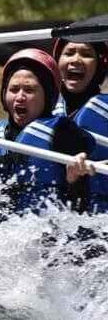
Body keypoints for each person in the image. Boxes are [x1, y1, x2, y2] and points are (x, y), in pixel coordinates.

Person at [0, 48, 95, 214]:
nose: (20, 97)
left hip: (46, 234)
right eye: (14, 89)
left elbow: (81, 208)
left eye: (30, 90)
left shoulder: (65, 133)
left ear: (48, 97)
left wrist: (74, 181)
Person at [52, 40, 108, 213]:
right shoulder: (40, 111)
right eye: (69, 53)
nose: (76, 60)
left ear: (99, 67)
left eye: (86, 54)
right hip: (55, 216)